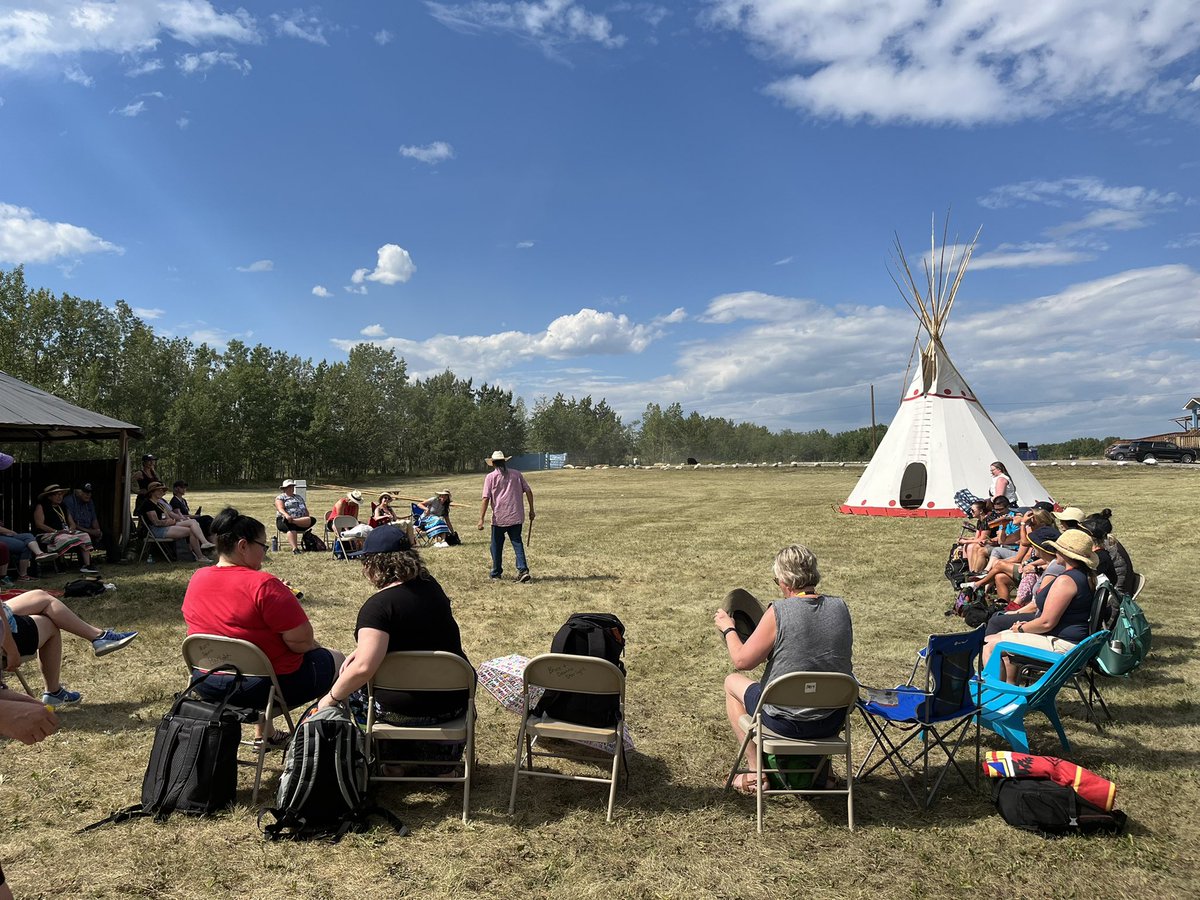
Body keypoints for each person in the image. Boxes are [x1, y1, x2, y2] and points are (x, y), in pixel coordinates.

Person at [317, 525, 473, 769]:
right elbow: (418, 631)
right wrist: (361, 650)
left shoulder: (378, 608)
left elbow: (364, 668)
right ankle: (441, 763)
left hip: (398, 710)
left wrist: (330, 698)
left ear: (374, 565)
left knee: (350, 688)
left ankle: (389, 760)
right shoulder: (431, 587)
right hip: (451, 704)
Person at [182, 507, 343, 729]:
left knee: (261, 657)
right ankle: (318, 736)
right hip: (259, 687)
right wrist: (286, 598)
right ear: (243, 546)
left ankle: (266, 734)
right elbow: (302, 643)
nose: (265, 553)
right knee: (338, 660)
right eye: (263, 546)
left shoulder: (197, 578)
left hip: (206, 681)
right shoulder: (263, 585)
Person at [713, 544, 853, 793]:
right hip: (831, 719)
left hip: (784, 720)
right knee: (820, 680)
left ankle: (756, 774)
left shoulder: (778, 612)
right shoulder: (840, 608)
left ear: (785, 581)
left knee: (731, 682)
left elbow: (742, 661)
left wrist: (728, 628)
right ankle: (824, 773)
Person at [983, 529, 1097, 682]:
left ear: (1065, 554)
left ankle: (995, 693)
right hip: (1069, 641)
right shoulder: (1083, 575)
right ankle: (1009, 689)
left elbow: (1046, 623)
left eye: (1057, 549)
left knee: (990, 645)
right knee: (997, 638)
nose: (1055, 552)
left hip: (1063, 646)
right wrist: (1024, 626)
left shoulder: (1067, 580)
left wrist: (1021, 629)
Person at [3, 589, 138, 706]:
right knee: (49, 623)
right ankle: (53, 691)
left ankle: (99, 637)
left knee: (39, 596)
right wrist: (11, 649)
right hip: (4, 633)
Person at [478, 451, 535, 582]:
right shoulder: (516, 474)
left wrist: (481, 519)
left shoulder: (490, 477)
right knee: (517, 543)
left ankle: (496, 573)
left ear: (493, 463)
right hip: (516, 515)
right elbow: (528, 491)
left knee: (496, 546)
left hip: (499, 518)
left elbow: (485, 498)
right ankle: (523, 570)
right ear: (504, 462)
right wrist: (532, 510)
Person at [136, 482, 213, 562]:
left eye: (162, 490)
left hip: (166, 526)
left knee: (193, 522)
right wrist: (169, 522)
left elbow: (168, 517)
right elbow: (156, 523)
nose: (162, 492)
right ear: (152, 492)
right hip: (155, 530)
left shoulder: (159, 504)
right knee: (192, 530)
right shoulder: (148, 504)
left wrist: (175, 520)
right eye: (159, 490)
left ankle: (202, 546)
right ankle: (200, 555)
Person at [32, 485, 98, 574]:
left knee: (84, 535)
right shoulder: (41, 506)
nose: (60, 497)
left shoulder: (63, 506)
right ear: (49, 496)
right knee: (64, 538)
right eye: (56, 494)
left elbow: (72, 523)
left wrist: (71, 530)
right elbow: (39, 525)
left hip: (65, 532)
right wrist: (56, 531)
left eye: (61, 494)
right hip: (47, 534)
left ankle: (86, 565)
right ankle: (60, 564)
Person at [0, 506, 54, 583]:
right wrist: (10, 532)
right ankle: (23, 575)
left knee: (28, 536)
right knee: (25, 546)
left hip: (4, 535)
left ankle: (39, 553)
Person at [274, 479, 316, 554]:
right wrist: (287, 516)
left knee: (312, 519)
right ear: (284, 489)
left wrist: (306, 516)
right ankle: (295, 548)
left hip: (299, 521)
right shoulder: (280, 497)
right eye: (289, 487)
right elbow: (280, 509)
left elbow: (305, 509)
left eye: (292, 486)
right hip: (284, 520)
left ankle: (294, 521)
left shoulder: (298, 497)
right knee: (290, 525)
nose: (291, 488)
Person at [63, 483, 103, 550]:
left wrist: (98, 531)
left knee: (107, 535)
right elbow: (71, 524)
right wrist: (89, 531)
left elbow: (94, 519)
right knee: (84, 537)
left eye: (90, 492)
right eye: (85, 492)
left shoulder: (90, 501)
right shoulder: (69, 501)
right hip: (76, 531)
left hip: (89, 529)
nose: (88, 494)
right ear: (76, 491)